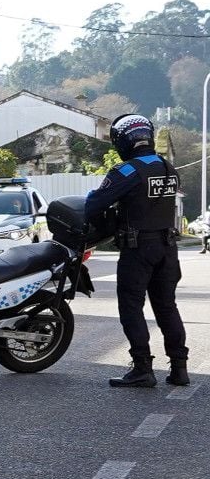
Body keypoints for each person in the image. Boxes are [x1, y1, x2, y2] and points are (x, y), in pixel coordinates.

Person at [85, 113, 189, 388]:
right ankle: (180, 368)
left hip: (138, 249)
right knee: (167, 307)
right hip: (168, 249)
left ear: (123, 141)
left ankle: (142, 367)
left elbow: (93, 205)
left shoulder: (128, 171)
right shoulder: (168, 167)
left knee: (131, 307)